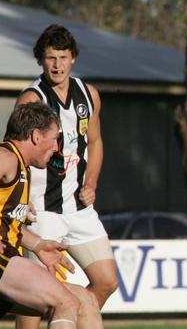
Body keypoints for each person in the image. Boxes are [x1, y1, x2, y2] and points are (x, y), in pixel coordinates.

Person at [0, 102, 102, 328]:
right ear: (35, 136)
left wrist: (39, 245)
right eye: (54, 138)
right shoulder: (4, 156)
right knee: (66, 302)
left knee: (86, 300)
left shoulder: (22, 167)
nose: (56, 147)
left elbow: (5, 220)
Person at [15, 24, 117, 329]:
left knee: (107, 281)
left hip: (80, 210)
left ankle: (66, 319)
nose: (56, 64)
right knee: (34, 298)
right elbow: (14, 153)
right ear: (41, 60)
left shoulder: (89, 94)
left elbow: (95, 142)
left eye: (62, 57)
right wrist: (20, 202)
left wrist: (92, 184)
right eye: (50, 58)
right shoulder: (32, 100)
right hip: (42, 209)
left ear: (73, 58)